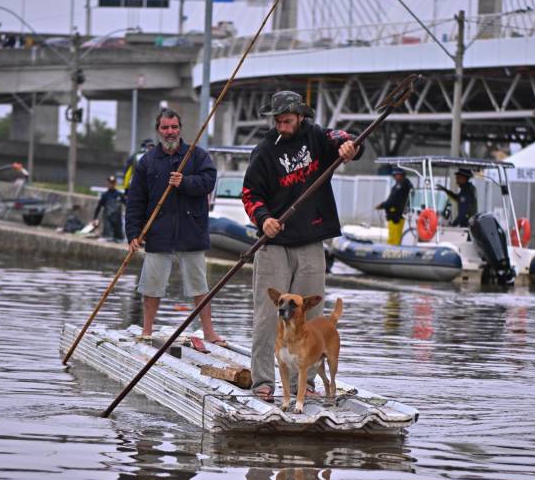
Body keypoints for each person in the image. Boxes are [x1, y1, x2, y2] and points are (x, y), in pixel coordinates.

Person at [241, 90, 361, 401]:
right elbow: (250, 195)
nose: (282, 126)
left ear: (301, 117)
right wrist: (263, 219)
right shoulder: (264, 151)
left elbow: (343, 138)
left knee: (310, 316)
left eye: (288, 121)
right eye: (278, 121)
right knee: (269, 316)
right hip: (274, 244)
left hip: (311, 240)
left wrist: (349, 147)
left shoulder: (318, 137)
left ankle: (302, 384)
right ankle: (264, 381)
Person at [125, 107, 224, 344]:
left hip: (192, 232)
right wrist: (133, 234)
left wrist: (185, 182)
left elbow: (209, 182)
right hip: (158, 233)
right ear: (158, 130)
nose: (170, 132)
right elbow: (135, 201)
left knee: (199, 286)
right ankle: (147, 331)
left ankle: (209, 332)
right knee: (152, 286)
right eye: (165, 128)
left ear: (180, 129)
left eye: (174, 127)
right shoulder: (147, 162)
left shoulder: (197, 156)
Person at [377, 167, 413, 245]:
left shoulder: (402, 186)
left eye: (398, 175)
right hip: (396, 215)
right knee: (394, 236)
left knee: (394, 237)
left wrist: (382, 205)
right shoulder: (403, 184)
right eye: (395, 175)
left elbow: (393, 200)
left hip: (396, 216)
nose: (396, 176)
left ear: (402, 175)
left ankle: (392, 252)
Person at [93, 175, 125, 241]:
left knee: (119, 239)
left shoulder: (119, 195)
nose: (111, 184)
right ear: (107, 183)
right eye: (110, 183)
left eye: (113, 183)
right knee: (108, 238)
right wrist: (95, 218)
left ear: (115, 183)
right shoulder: (105, 195)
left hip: (117, 221)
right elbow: (98, 207)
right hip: (108, 220)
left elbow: (127, 204)